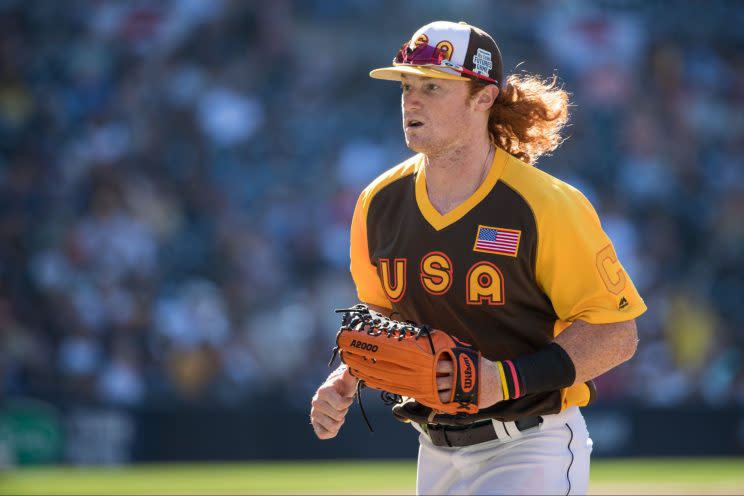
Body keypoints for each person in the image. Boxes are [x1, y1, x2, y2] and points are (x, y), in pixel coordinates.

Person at [310, 20, 646, 495]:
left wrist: (502, 381)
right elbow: (383, 317)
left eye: (432, 86)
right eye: (406, 85)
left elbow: (616, 332)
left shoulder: (545, 204)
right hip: (434, 453)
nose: (411, 99)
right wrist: (349, 375)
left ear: (483, 98)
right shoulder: (378, 201)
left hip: (530, 447)